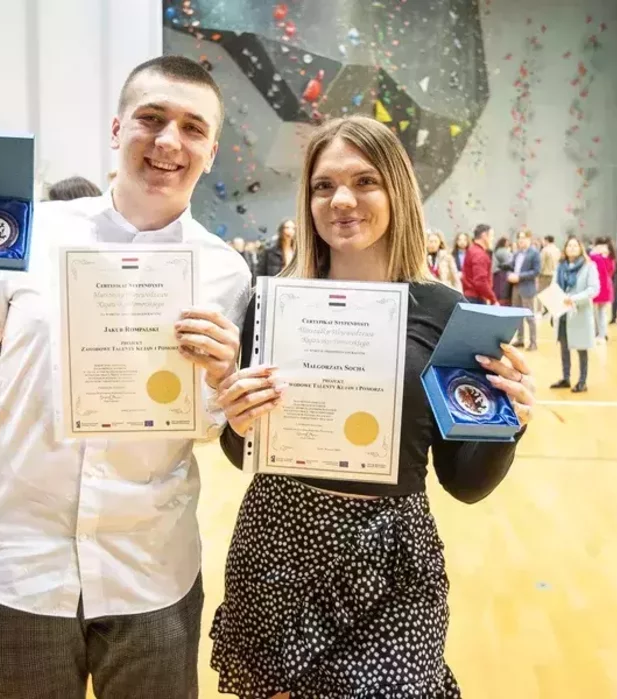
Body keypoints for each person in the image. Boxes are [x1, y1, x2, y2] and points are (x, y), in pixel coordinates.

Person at [0, 56, 251, 698]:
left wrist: (225, 380)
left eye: (192, 128)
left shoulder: (225, 273)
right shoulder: (35, 235)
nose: (169, 141)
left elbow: (208, 427)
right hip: (20, 567)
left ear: (211, 151)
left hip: (151, 573)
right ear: (117, 130)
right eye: (151, 119)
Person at [209, 115, 535, 698]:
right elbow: (246, 454)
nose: (342, 200)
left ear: (397, 191)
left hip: (393, 552)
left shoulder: (448, 313)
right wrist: (237, 422)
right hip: (278, 541)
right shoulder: (273, 303)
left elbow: (464, 484)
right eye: (323, 186)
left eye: (364, 182)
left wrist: (507, 425)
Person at [550, 236, 599, 393]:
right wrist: (554, 307)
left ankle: (582, 381)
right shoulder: (560, 267)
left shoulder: (588, 267)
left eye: (575, 246)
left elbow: (593, 289)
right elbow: (554, 287)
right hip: (563, 312)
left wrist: (574, 299)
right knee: (564, 346)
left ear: (580, 248)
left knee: (581, 347)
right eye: (569, 245)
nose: (571, 248)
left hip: (579, 312)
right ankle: (566, 377)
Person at [508, 229, 541, 350]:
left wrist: (519, 276)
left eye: (523, 238)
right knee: (517, 316)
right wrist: (509, 274)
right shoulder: (516, 253)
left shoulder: (534, 253)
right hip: (515, 288)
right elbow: (512, 267)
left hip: (527, 288)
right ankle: (520, 339)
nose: (521, 240)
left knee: (529, 317)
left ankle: (533, 342)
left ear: (529, 239)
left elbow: (536, 271)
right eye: (519, 238)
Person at [461, 223, 496, 304]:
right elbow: (480, 281)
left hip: (470, 296)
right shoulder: (480, 254)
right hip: (476, 298)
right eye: (491, 236)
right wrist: (493, 299)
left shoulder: (471, 250)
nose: (492, 239)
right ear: (484, 236)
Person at [589, 238, 615, 341]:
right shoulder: (610, 258)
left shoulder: (595, 257)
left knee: (596, 313)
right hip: (607, 286)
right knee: (602, 312)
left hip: (597, 286)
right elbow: (611, 271)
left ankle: (599, 334)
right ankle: (602, 334)